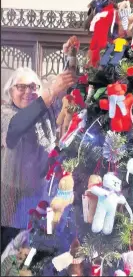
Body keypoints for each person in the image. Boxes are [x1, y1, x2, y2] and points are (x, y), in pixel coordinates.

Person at [1, 66, 77, 252]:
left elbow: (67, 91)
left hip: (45, 195)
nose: (28, 92)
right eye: (21, 87)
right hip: (15, 201)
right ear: (10, 91)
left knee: (42, 251)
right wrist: (48, 93)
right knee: (14, 254)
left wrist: (71, 56)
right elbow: (14, 129)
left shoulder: (46, 108)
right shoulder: (5, 113)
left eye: (33, 87)